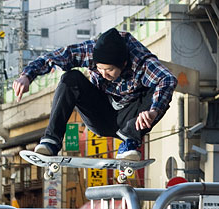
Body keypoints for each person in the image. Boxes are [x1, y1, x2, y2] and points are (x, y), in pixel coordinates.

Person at [12, 28, 178, 162]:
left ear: (124, 63)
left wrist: (153, 111)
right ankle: (51, 140)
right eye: (100, 69)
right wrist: (27, 76)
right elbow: (56, 57)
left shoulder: (141, 61)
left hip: (131, 119)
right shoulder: (91, 51)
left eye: (110, 70)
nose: (104, 74)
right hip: (101, 115)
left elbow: (168, 79)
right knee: (71, 78)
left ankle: (130, 141)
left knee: (157, 87)